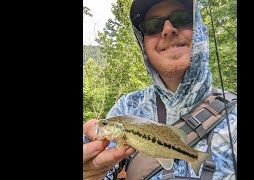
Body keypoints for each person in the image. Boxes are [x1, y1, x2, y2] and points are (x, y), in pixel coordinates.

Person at [83, 0, 237, 179]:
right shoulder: (126, 107)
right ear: (143, 45)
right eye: (153, 25)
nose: (168, 29)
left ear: (200, 30)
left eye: (181, 18)